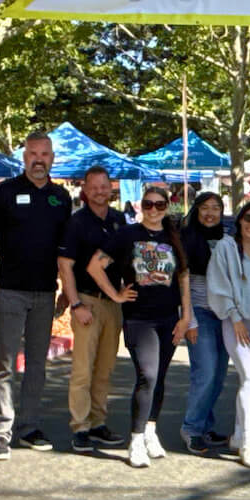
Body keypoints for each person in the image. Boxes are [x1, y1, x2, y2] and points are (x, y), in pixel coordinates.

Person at [0, 131, 71, 460]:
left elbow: (65, 252)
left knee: (36, 366)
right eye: (33, 153)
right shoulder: (5, 192)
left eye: (44, 154)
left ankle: (29, 426)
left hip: (45, 293)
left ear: (52, 159)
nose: (38, 160)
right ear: (24, 157)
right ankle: (0, 432)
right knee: (4, 363)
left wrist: (66, 291)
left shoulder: (62, 199)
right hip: (10, 292)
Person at [87, 184, 192, 468]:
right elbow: (95, 266)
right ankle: (135, 440)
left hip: (169, 317)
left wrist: (186, 317)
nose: (154, 210)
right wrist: (115, 294)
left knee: (161, 377)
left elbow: (183, 276)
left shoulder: (173, 236)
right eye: (148, 204)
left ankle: (150, 430)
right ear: (140, 206)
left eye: (160, 205)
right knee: (147, 374)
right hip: (139, 318)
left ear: (167, 207)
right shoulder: (126, 235)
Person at [58, 165, 127, 454]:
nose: (100, 191)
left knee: (104, 369)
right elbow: (65, 266)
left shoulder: (119, 219)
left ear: (112, 188)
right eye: (94, 186)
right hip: (88, 301)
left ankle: (98, 422)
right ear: (84, 190)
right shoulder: (77, 222)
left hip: (114, 304)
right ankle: (81, 426)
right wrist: (75, 304)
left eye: (104, 185)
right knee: (83, 369)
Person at [207, 199, 250, 469]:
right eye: (248, 218)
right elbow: (218, 284)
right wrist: (234, 318)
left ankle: (237, 433)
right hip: (236, 323)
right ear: (240, 219)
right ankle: (248, 442)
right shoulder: (225, 247)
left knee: (247, 380)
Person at [179, 191, 230, 454]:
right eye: (205, 207)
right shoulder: (186, 240)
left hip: (225, 316)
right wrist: (189, 320)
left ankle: (206, 424)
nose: (210, 213)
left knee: (219, 376)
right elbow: (181, 283)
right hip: (199, 313)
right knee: (205, 373)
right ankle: (191, 428)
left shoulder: (227, 240)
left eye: (216, 208)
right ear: (196, 211)